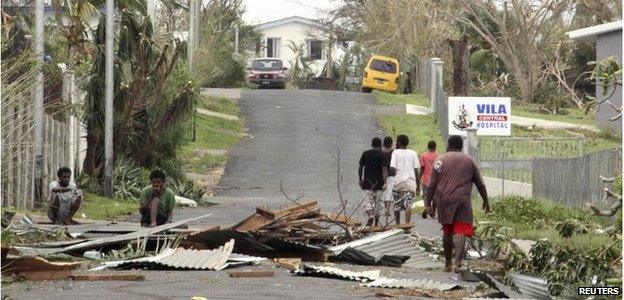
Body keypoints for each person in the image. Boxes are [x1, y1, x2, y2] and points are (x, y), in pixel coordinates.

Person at [426, 135, 490, 273]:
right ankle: (458, 263)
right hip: (462, 200)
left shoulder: (439, 161)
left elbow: (431, 185)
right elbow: (481, 184)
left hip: (444, 200)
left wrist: (428, 204)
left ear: (449, 145)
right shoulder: (469, 160)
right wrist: (486, 201)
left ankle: (447, 264)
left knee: (447, 232)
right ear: (461, 146)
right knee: (460, 230)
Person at [389, 134, 420, 225]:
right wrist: (418, 185)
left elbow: (392, 168)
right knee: (408, 205)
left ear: (399, 142)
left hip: (398, 183)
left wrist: (393, 175)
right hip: (410, 183)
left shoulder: (395, 152)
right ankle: (407, 225)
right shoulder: (413, 153)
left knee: (396, 205)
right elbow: (416, 170)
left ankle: (397, 224)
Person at [358, 137, 388, 227]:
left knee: (367, 202)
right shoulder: (382, 155)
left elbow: (360, 167)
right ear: (380, 145)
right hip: (379, 184)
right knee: (378, 204)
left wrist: (360, 179)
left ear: (372, 144)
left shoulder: (365, 154)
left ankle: (370, 216)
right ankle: (376, 223)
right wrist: (385, 182)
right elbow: (384, 169)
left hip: (367, 183)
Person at [419, 140, 439, 218]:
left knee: (425, 195)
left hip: (426, 179)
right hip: (436, 180)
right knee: (435, 196)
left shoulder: (424, 155)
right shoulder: (439, 156)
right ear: (435, 147)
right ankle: (433, 211)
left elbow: (422, 168)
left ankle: (426, 207)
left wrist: (418, 178)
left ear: (428, 146)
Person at [381, 136, 395, 218]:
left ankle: (385, 208)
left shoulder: (380, 151)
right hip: (391, 174)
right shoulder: (393, 152)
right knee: (389, 193)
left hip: (381, 173)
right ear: (390, 143)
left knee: (384, 192)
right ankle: (387, 209)